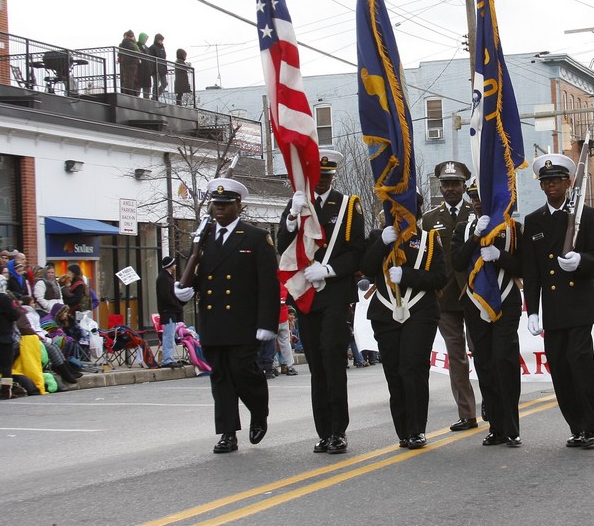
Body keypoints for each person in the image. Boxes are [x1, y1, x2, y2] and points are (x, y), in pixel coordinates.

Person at [174, 177, 281, 454]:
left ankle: (258, 412)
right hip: (214, 322)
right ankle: (228, 433)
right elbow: (201, 274)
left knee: (244, 371)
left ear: (239, 206)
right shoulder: (204, 239)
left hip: (245, 323)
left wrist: (267, 323)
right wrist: (187, 289)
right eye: (216, 204)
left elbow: (268, 284)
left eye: (226, 204)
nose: (219, 209)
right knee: (220, 377)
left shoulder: (256, 237)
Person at [277, 148, 365, 454]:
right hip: (306, 295)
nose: (322, 181)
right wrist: (291, 217)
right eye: (318, 176)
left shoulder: (348, 206)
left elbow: (357, 251)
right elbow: (281, 244)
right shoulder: (298, 204)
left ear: (333, 176)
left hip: (335, 293)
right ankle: (323, 432)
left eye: (327, 177)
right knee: (316, 364)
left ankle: (339, 431)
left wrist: (329, 269)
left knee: (332, 358)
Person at [521, 154, 594, 450]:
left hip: (579, 306)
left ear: (569, 182)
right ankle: (575, 426)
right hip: (553, 308)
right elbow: (531, 272)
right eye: (545, 181)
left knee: (580, 365)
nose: (551, 185)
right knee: (560, 369)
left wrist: (580, 260)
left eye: (556, 180)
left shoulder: (585, 215)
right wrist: (532, 311)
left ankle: (589, 425)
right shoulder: (533, 221)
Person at [360, 195, 446, 450]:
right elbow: (365, 268)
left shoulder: (430, 240)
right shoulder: (379, 237)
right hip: (385, 313)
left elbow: (440, 278)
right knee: (394, 372)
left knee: (413, 368)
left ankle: (417, 429)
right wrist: (382, 244)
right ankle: (403, 430)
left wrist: (407, 276)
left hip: (420, 312)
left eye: (410, 209)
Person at [451, 179, 524, 447]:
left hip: (506, 300)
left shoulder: (513, 229)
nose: (478, 202)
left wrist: (499, 256)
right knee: (484, 364)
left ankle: (512, 427)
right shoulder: (463, 228)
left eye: (482, 197)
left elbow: (523, 267)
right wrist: (474, 239)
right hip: (475, 302)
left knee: (504, 362)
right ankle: (496, 426)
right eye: (474, 197)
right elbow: (457, 262)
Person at [420, 160, 477, 432]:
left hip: (477, 295)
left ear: (465, 186)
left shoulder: (477, 213)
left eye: (455, 184)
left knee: (483, 352)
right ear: (440, 187)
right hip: (445, 298)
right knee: (457, 358)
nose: (451, 189)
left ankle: (492, 404)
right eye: (446, 184)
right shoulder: (429, 219)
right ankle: (467, 413)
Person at [156, 256, 185, 368]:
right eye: (174, 263)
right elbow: (165, 295)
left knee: (171, 335)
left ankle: (170, 358)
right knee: (169, 335)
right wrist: (176, 304)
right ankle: (167, 360)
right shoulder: (163, 278)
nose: (176, 265)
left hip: (170, 311)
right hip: (167, 311)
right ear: (170, 265)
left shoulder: (166, 277)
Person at [117, 30, 140, 95]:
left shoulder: (124, 43)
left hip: (126, 62)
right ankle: (130, 92)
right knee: (130, 79)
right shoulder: (131, 44)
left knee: (128, 78)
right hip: (131, 62)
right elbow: (134, 52)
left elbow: (120, 53)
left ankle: (128, 92)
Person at [147, 33, 167, 100]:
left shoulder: (162, 48)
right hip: (155, 69)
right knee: (156, 84)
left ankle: (156, 95)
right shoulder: (152, 48)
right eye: (160, 40)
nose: (161, 42)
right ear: (157, 40)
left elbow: (164, 58)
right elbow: (151, 59)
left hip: (162, 69)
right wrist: (153, 69)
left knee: (164, 83)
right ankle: (154, 97)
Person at [136, 32, 152, 99]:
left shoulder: (147, 48)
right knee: (139, 84)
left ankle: (147, 98)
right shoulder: (137, 45)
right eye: (145, 39)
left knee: (147, 85)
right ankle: (136, 97)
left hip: (147, 69)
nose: (145, 40)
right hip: (140, 68)